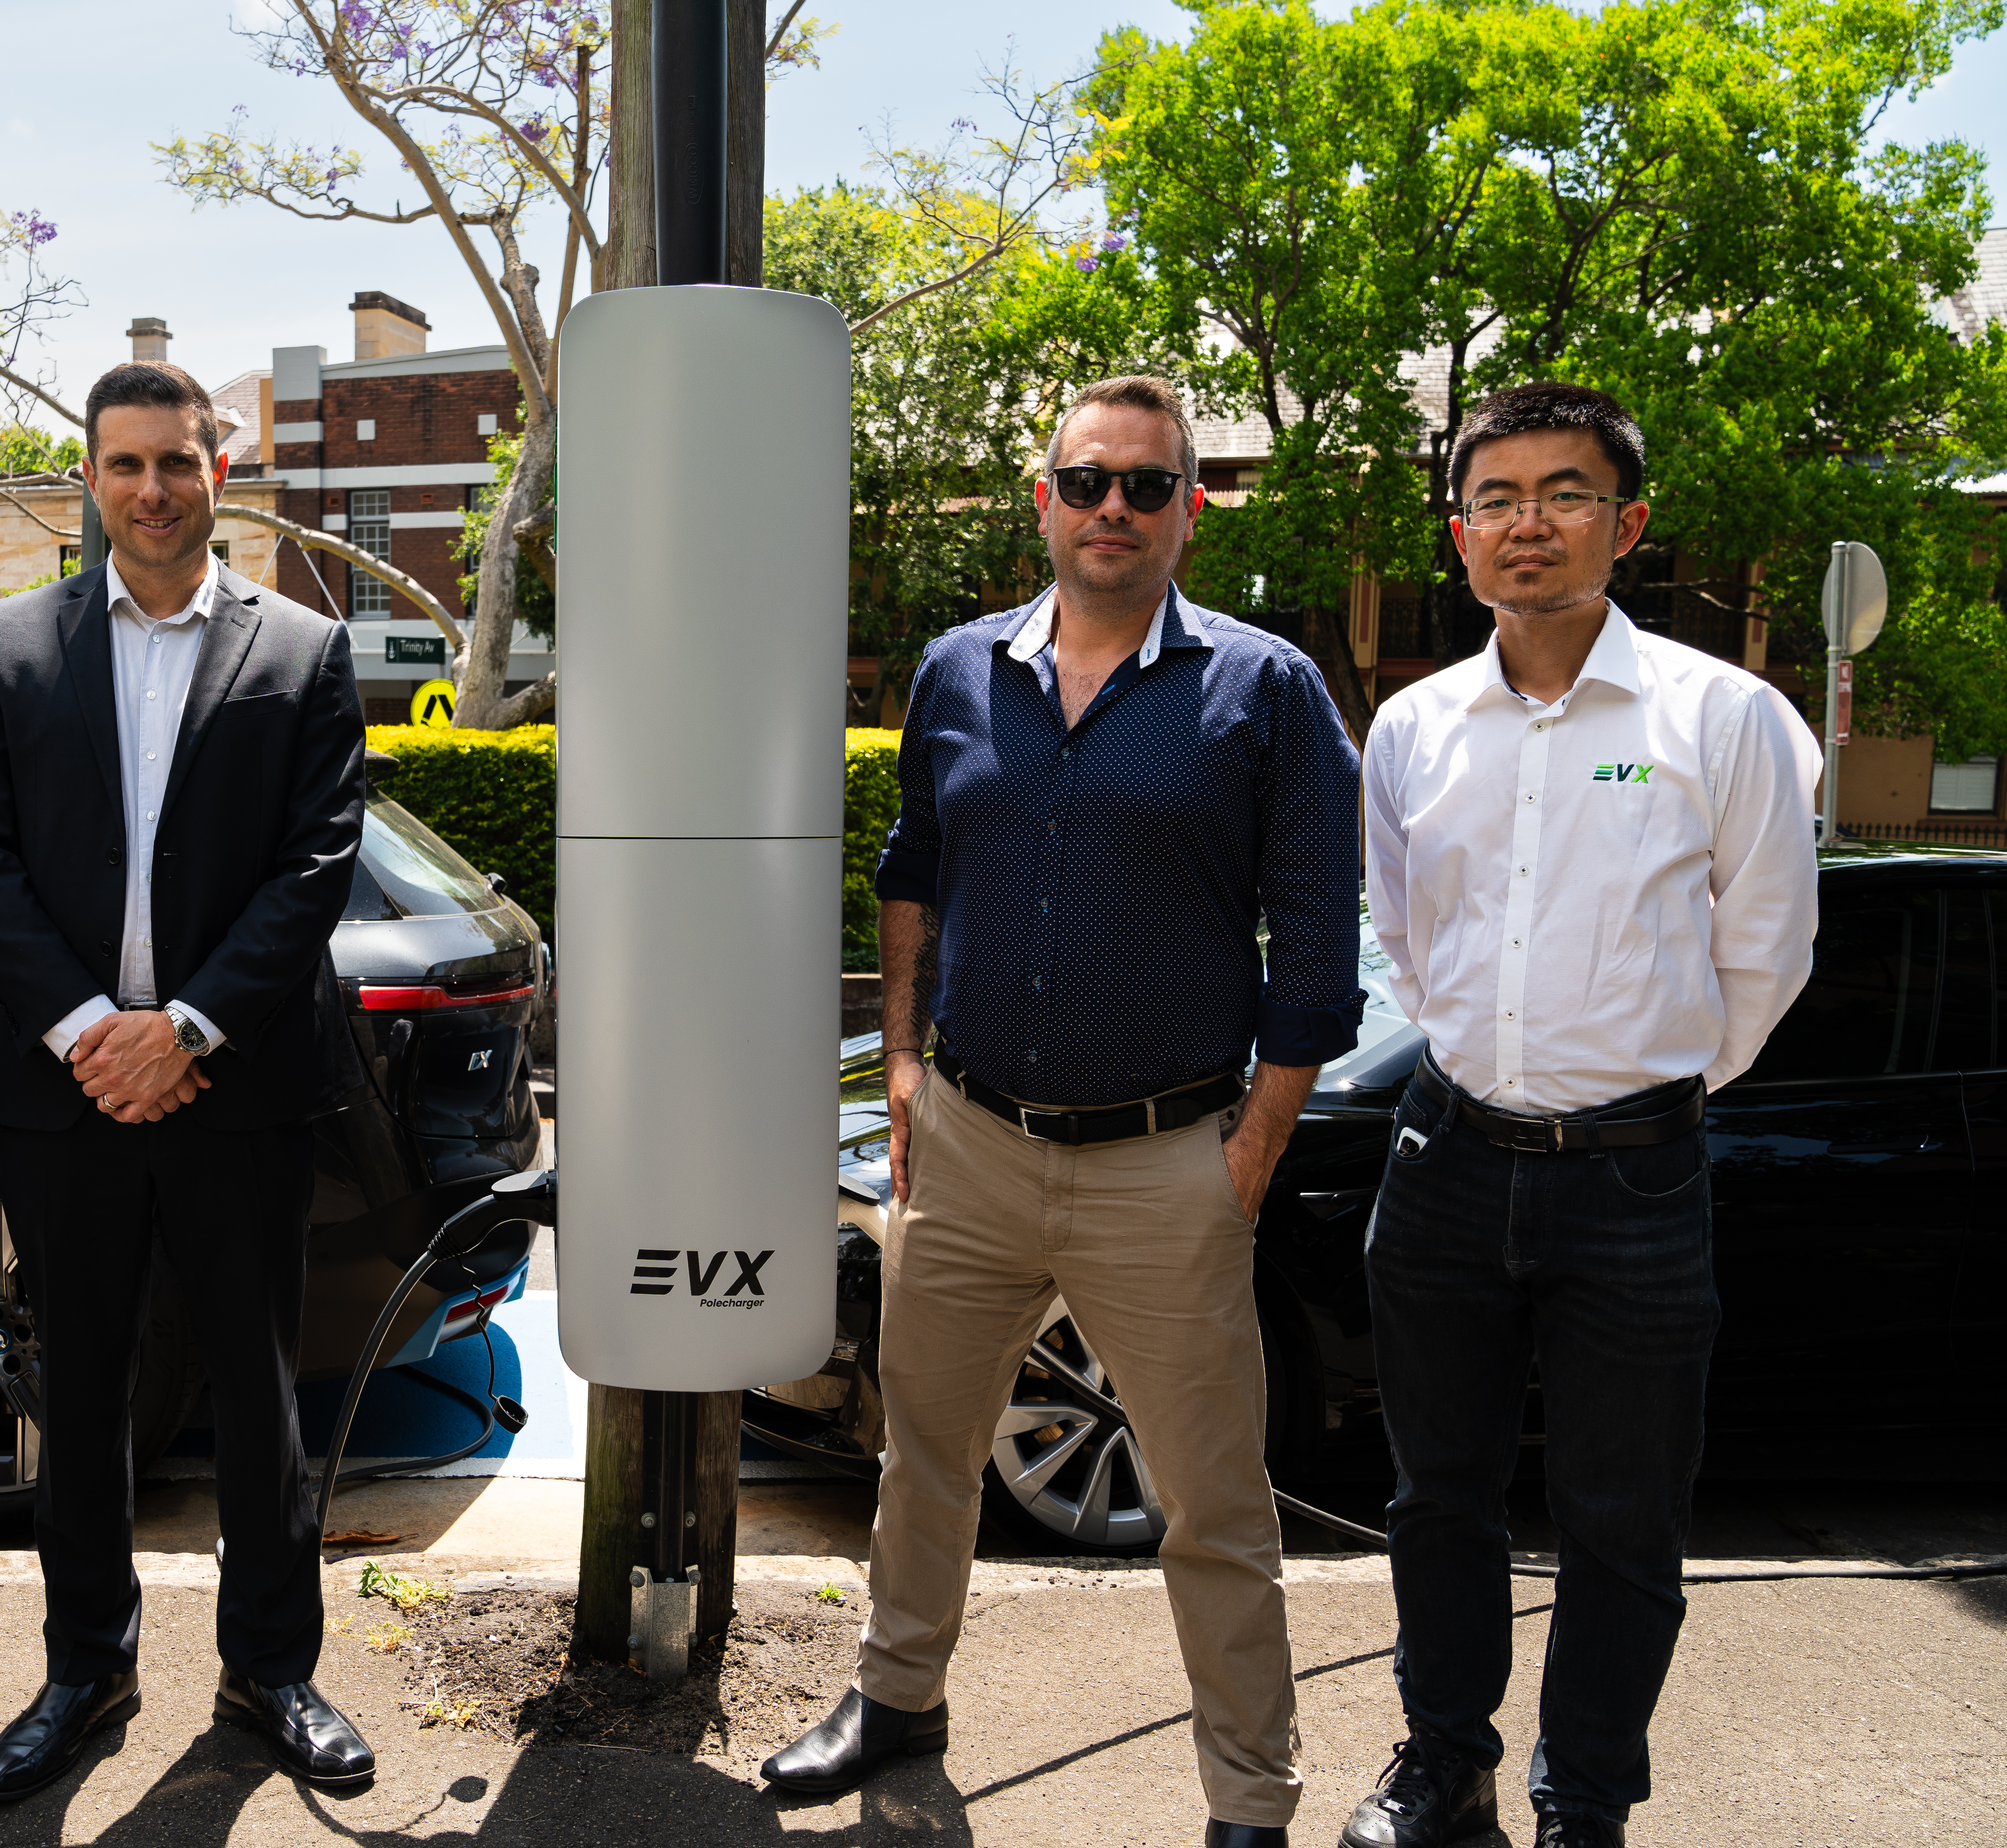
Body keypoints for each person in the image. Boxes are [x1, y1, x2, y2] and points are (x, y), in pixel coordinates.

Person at [761, 374, 1365, 1847]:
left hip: (1170, 1160)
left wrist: (1253, 1151)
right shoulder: (962, 669)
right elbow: (914, 870)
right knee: (926, 1451)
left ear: (1189, 513)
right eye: (1086, 481)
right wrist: (901, 1060)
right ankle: (899, 1695)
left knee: (1215, 1508)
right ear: (1044, 497)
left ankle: (1250, 1797)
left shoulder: (1264, 689)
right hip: (967, 1139)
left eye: (1146, 487)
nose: (1113, 509)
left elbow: (1320, 940)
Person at [1339, 383, 1818, 1848]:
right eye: (1496, 498)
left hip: (1637, 1180)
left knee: (1623, 1520)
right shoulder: (1416, 726)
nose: (1527, 523)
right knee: (1440, 1497)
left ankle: (1587, 1801)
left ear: (1630, 524)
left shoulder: (1724, 718)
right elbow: (1408, 946)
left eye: (1564, 492)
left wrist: (1630, 1092)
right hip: (1443, 1156)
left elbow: (1767, 959)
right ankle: (1445, 1760)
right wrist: (1505, 1065)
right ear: (1460, 532)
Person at [0, 359, 373, 1800]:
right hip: (67, 1094)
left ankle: (271, 1671)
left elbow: (315, 866)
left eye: (176, 462)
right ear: (90, 480)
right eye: (123, 465)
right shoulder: (5, 646)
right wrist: (87, 1031)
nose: (151, 489)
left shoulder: (304, 651)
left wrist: (181, 1030)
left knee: (258, 1393)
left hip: (233, 1091)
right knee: (87, 1394)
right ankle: (85, 1666)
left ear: (219, 474)